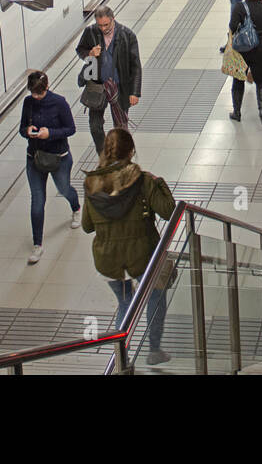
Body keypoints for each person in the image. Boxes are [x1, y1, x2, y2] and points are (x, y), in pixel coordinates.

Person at [82, 128, 176, 366]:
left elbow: (87, 226)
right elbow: (168, 211)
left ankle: (121, 358)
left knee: (125, 303)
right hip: (142, 255)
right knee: (156, 293)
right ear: (131, 151)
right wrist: (158, 183)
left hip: (108, 260)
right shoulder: (143, 181)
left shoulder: (92, 183)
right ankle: (154, 350)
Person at [19, 70, 81, 264]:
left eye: (39, 93)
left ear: (46, 87)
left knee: (64, 188)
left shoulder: (59, 103)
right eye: (33, 93)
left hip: (59, 157)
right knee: (37, 199)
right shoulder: (28, 103)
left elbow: (70, 128)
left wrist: (50, 133)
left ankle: (76, 207)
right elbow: (22, 128)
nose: (36, 97)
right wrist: (27, 132)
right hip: (35, 158)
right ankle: (38, 245)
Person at [76, 5, 142, 153]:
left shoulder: (127, 35)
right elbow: (80, 50)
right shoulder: (91, 32)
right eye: (100, 25)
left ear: (113, 19)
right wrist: (90, 54)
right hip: (97, 86)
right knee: (95, 126)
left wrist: (134, 92)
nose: (103, 28)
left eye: (106, 25)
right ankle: (103, 155)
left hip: (119, 86)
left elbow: (135, 65)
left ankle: (122, 156)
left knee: (120, 126)